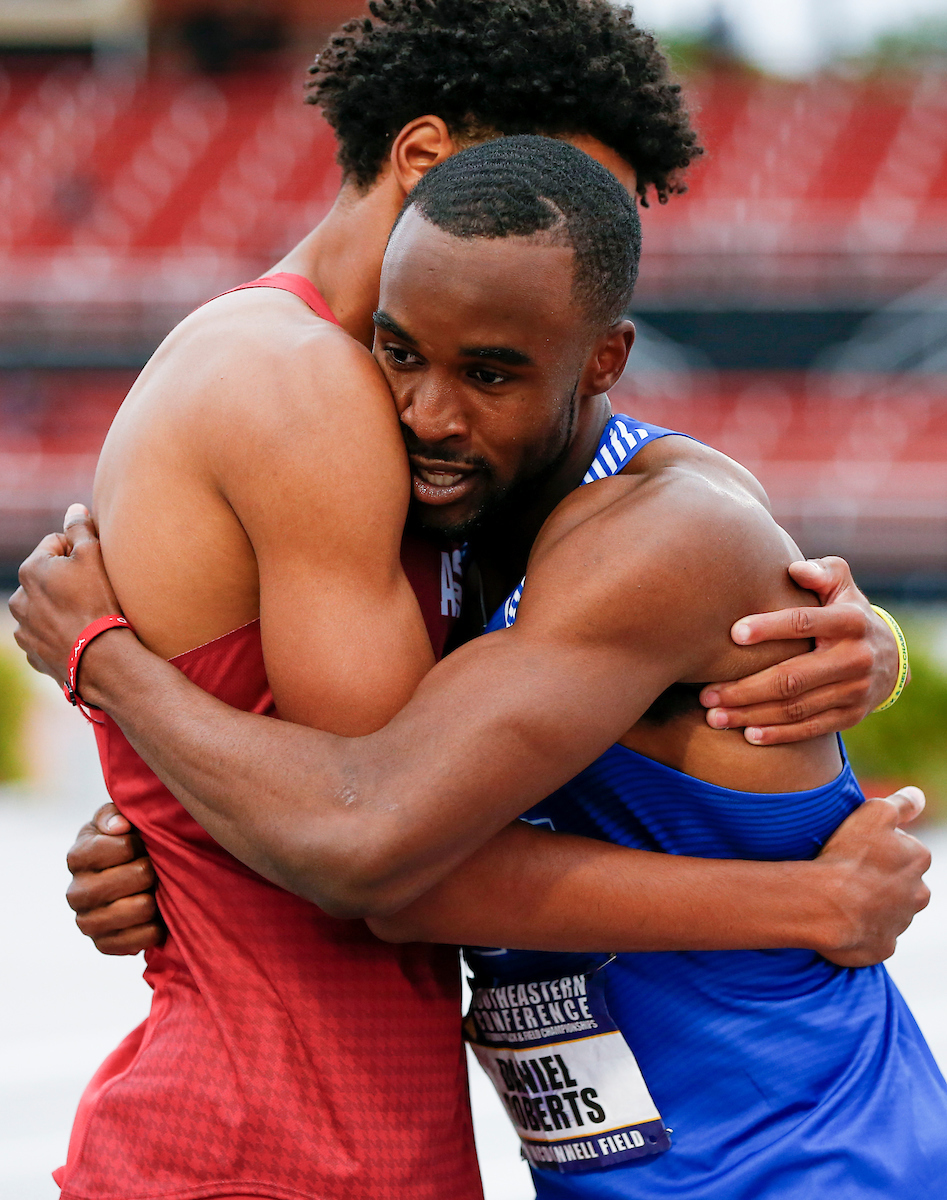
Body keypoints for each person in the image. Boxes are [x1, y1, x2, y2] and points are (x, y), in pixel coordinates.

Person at [12, 135, 938, 1198]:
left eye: (489, 373)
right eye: (399, 354)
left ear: (602, 360)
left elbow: (378, 854)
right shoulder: (443, 531)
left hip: (818, 1161)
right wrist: (161, 849)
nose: (425, 415)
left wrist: (104, 660)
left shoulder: (659, 531)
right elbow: (352, 786)